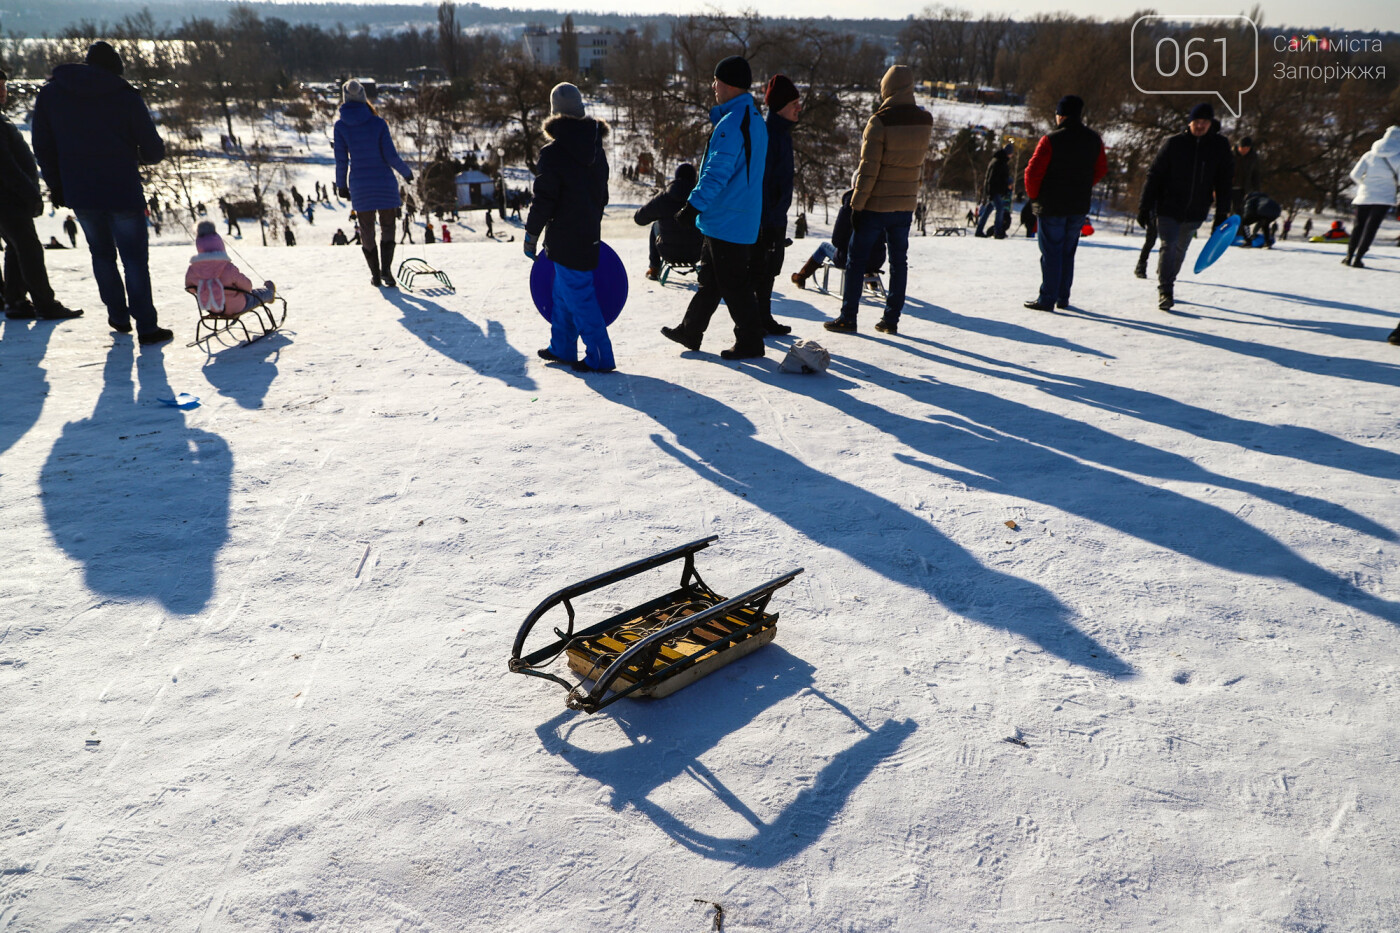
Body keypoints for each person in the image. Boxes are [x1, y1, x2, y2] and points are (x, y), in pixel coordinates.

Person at [36, 45, 178, 336]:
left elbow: (42, 145)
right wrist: (136, 154)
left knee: (101, 254)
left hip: (80, 191)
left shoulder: (51, 94)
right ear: (115, 69)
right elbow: (153, 150)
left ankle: (118, 316)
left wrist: (56, 184)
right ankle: (147, 327)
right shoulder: (125, 96)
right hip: (122, 189)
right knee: (135, 260)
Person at [660, 56, 769, 359]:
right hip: (734, 217)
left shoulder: (731, 124)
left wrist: (692, 206)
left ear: (729, 84)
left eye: (716, 80)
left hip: (726, 219)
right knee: (711, 280)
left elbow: (716, 173)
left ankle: (750, 341)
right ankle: (690, 330)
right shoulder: (754, 118)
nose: (713, 86)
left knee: (734, 284)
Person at [824, 64, 932, 336]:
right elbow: (917, 165)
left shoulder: (879, 121)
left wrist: (856, 205)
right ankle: (891, 319)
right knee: (899, 262)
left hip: (876, 205)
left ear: (887, 88)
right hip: (905, 205)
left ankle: (848, 317)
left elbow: (868, 169)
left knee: (855, 259)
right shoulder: (924, 121)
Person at [525, 82, 613, 373]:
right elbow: (603, 196)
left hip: (564, 237)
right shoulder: (596, 148)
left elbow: (544, 199)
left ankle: (600, 356)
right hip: (588, 234)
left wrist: (531, 234)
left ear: (555, 114)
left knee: (581, 298)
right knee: (562, 293)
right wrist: (588, 218)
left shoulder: (554, 153)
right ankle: (562, 346)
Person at [1136, 101, 1232, 311]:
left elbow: (1224, 181)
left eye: (1205, 122)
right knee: (1168, 245)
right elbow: (1154, 175)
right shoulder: (1174, 144)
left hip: (1196, 210)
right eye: (1196, 121)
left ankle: (1167, 277)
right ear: (1189, 122)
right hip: (1168, 206)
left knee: (1180, 249)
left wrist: (1222, 212)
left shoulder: (1219, 147)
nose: (1200, 126)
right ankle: (1166, 290)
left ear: (1210, 123)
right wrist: (1144, 206)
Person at [1021, 95, 1107, 311]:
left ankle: (1047, 298)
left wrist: (1034, 197)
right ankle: (1062, 296)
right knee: (1068, 252)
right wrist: (1084, 185)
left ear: (1060, 115)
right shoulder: (1094, 139)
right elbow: (1101, 169)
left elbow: (1032, 172)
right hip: (1078, 206)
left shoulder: (1050, 140)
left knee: (1051, 252)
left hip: (1052, 205)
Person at [334, 79, 413, 288]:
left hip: (360, 185)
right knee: (388, 226)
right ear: (363, 97)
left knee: (366, 229)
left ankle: (375, 275)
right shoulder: (378, 123)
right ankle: (386, 271)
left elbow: (341, 159)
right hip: (384, 183)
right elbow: (390, 155)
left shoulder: (341, 126)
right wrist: (406, 173)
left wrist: (341, 185)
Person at [751, 74, 801, 336]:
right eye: (794, 103)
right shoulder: (770, 135)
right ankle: (756, 321)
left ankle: (764, 317)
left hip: (775, 217)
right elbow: (764, 181)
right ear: (780, 106)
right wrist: (768, 218)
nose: (799, 108)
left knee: (769, 270)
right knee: (762, 269)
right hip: (767, 219)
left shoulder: (782, 134)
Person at [789, 189, 886, 288]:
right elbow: (884, 237)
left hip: (849, 259)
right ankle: (871, 278)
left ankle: (801, 277)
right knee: (870, 245)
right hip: (876, 260)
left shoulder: (848, 208)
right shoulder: (880, 204)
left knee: (823, 247)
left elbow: (836, 240)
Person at [185, 220, 276, 316]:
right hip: (237, 306)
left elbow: (191, 288)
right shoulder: (227, 267)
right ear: (220, 245)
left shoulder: (193, 269)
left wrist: (208, 290)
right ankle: (269, 293)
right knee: (256, 294)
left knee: (247, 294)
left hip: (212, 308)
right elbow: (248, 287)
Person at [1343, 125, 1399, 268]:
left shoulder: (1369, 154)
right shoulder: (1398, 157)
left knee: (1358, 226)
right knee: (1371, 228)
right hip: (1384, 198)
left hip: (1365, 196)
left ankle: (1349, 256)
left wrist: (1364, 184)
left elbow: (1354, 174)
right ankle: (1359, 258)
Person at [633, 162, 701, 279]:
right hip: (696, 253)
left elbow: (639, 219)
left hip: (668, 253)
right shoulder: (702, 197)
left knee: (655, 225)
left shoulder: (664, 197)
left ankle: (654, 268)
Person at [975, 145, 1012, 238]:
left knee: (988, 210)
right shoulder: (1000, 162)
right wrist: (993, 191)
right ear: (1008, 153)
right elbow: (994, 178)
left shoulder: (997, 160)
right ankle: (998, 232)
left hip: (994, 190)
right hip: (995, 190)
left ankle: (979, 230)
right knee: (1000, 209)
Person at [1231, 136, 1261, 216]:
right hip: (1228, 187)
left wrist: (1256, 191)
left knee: (1239, 212)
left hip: (1242, 189)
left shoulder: (1253, 157)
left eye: (1247, 148)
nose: (1245, 150)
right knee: (1225, 211)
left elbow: (1255, 175)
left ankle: (1239, 227)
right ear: (1238, 147)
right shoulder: (1230, 155)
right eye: (1242, 148)